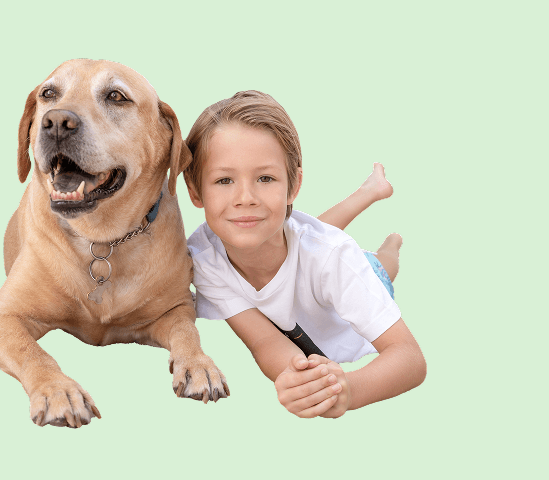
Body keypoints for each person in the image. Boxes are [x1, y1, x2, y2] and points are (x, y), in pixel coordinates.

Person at [182, 90, 425, 418]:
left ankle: (391, 240)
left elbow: (410, 358)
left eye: (265, 178)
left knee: (378, 265)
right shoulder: (204, 257)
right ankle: (369, 191)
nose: (245, 197)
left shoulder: (335, 258)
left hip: (355, 279)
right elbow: (265, 343)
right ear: (195, 190)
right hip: (305, 249)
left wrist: (346, 391)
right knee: (295, 233)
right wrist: (299, 379)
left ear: (293, 186)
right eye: (224, 180)